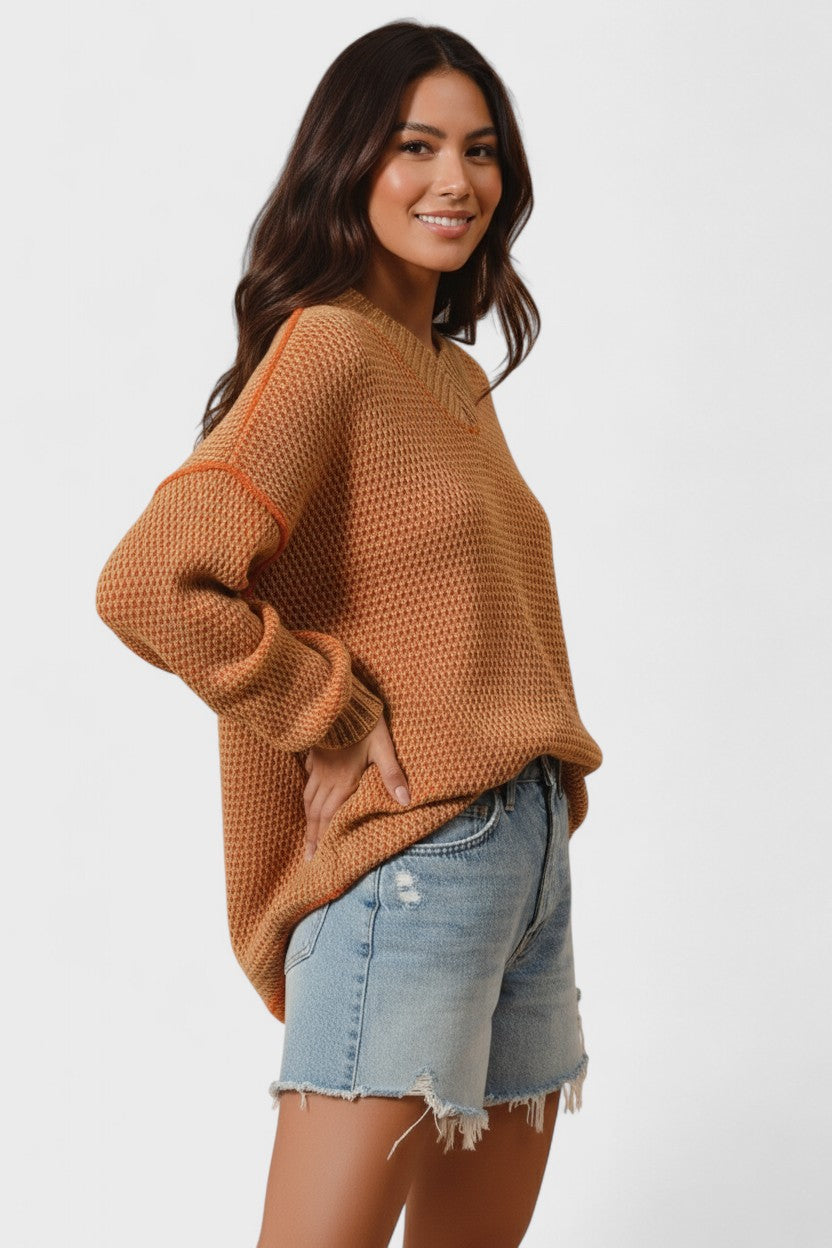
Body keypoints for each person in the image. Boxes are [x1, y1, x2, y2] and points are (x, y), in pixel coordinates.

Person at [95, 19, 603, 1248]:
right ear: (348, 162)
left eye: (479, 150)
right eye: (414, 146)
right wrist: (324, 706)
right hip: (416, 863)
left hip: (523, 856)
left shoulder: (449, 376)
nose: (454, 180)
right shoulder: (325, 347)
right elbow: (150, 582)